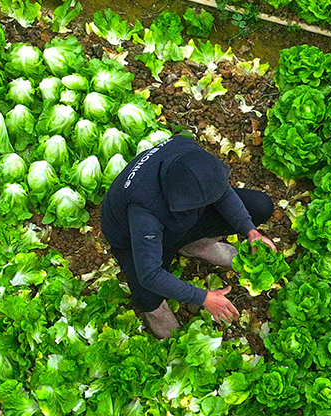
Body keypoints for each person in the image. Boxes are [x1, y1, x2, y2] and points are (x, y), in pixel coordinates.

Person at [100, 136, 277, 339]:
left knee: (259, 206)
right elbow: (149, 274)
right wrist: (204, 297)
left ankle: (196, 246)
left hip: (179, 216)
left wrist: (251, 232)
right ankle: (166, 326)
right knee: (149, 296)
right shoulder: (144, 212)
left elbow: (220, 191)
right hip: (133, 238)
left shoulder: (187, 151)